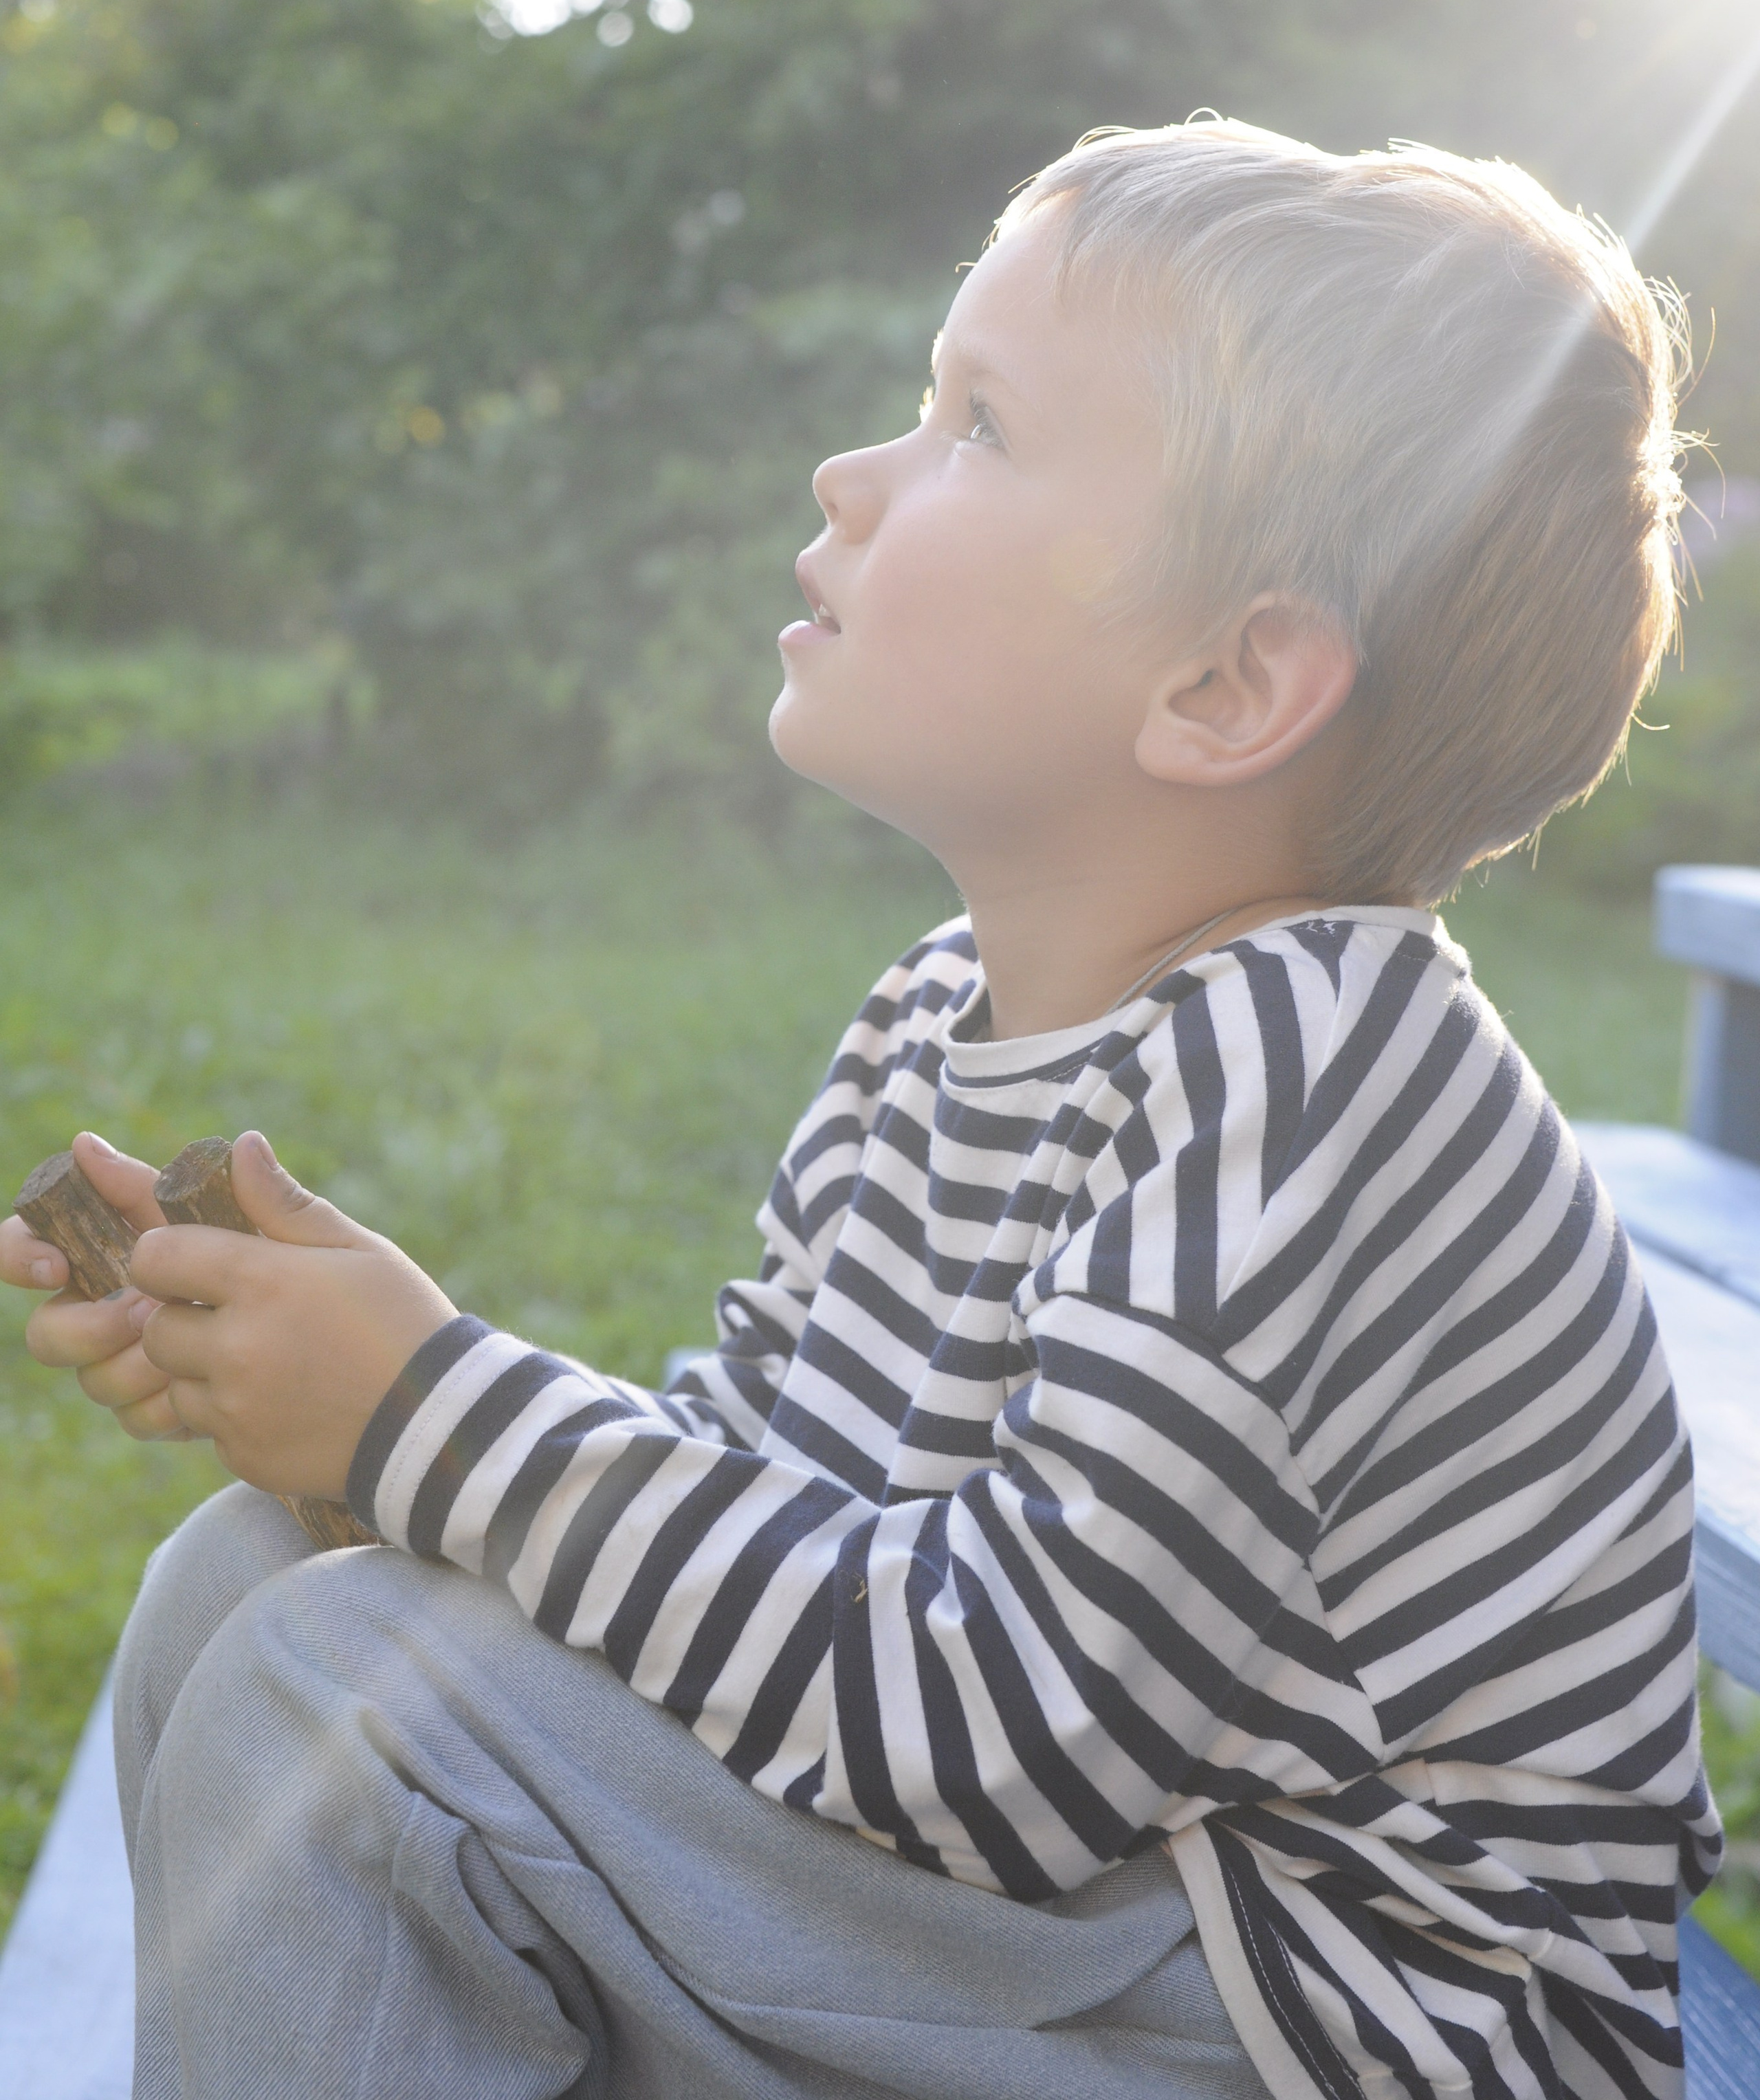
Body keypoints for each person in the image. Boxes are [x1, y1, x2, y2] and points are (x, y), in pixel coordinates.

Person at [2, 118, 1722, 2100]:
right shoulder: (940, 1018)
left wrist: (433, 1411)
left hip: (1355, 2015)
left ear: (1231, 685)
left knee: (351, 1703)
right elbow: (772, 1503)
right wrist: (346, 1450)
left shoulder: (1320, 1067)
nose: (854, 474)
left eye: (977, 426)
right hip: (1101, 1916)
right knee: (248, 1581)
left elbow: (1005, 1738)